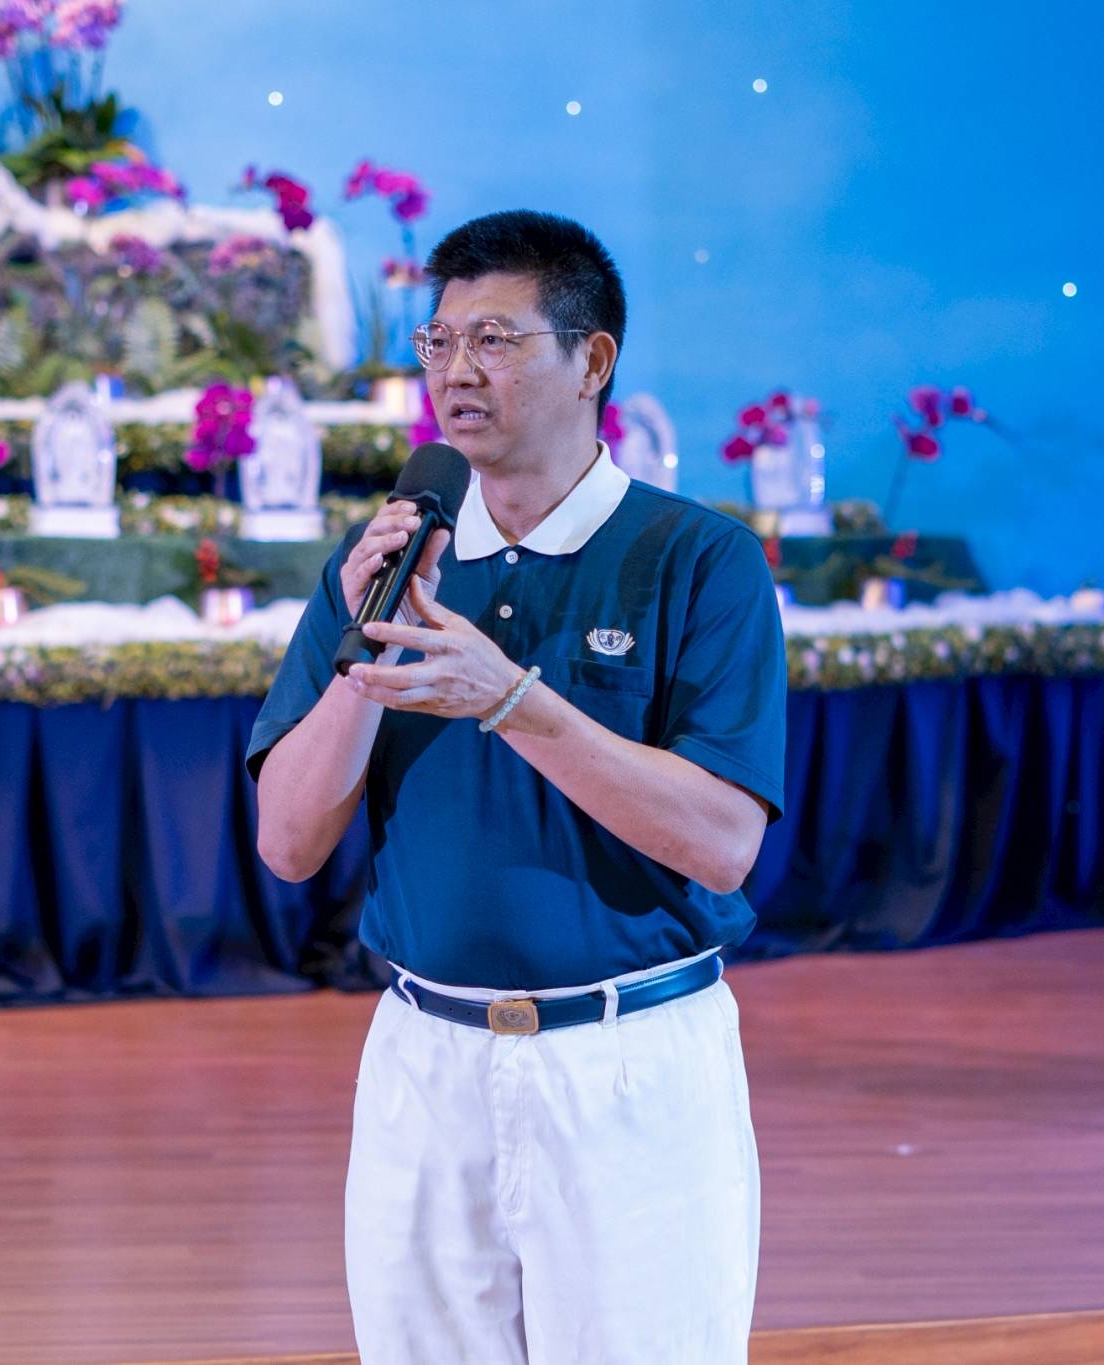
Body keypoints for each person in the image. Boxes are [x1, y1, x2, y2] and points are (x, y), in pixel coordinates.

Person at [247, 209, 788, 1364]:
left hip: (628, 1067)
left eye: (493, 340)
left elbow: (722, 841)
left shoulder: (695, 559)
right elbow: (288, 841)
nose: (454, 372)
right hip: (421, 1063)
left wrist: (510, 699)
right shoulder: (383, 560)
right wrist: (368, 638)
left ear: (591, 360)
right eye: (437, 344)